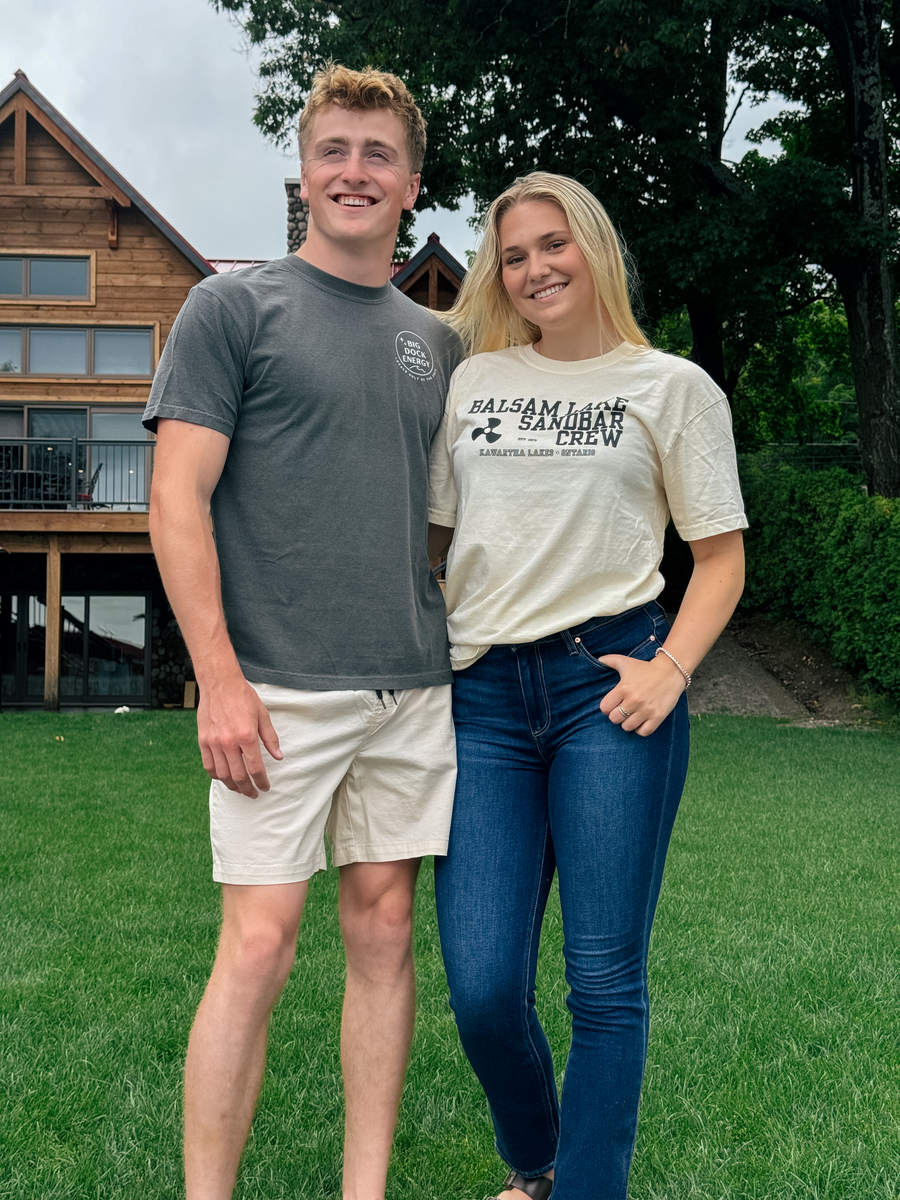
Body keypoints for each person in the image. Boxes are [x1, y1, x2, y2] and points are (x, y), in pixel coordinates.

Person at [144, 65, 462, 1200]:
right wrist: (217, 680)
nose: (354, 172)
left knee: (384, 940)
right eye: (334, 150)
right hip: (275, 690)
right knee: (261, 945)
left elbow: (444, 520)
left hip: (414, 691)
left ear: (412, 182)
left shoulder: (442, 344)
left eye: (378, 155)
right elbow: (176, 498)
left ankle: (362, 1191)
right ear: (302, 171)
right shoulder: (234, 309)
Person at [427, 172, 747, 1200]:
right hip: (479, 699)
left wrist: (671, 668)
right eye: (514, 255)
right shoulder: (474, 382)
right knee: (482, 986)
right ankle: (536, 1163)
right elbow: (433, 541)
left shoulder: (673, 386)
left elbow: (722, 555)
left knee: (604, 984)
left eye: (553, 245)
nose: (535, 269)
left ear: (596, 248)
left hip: (607, 686)